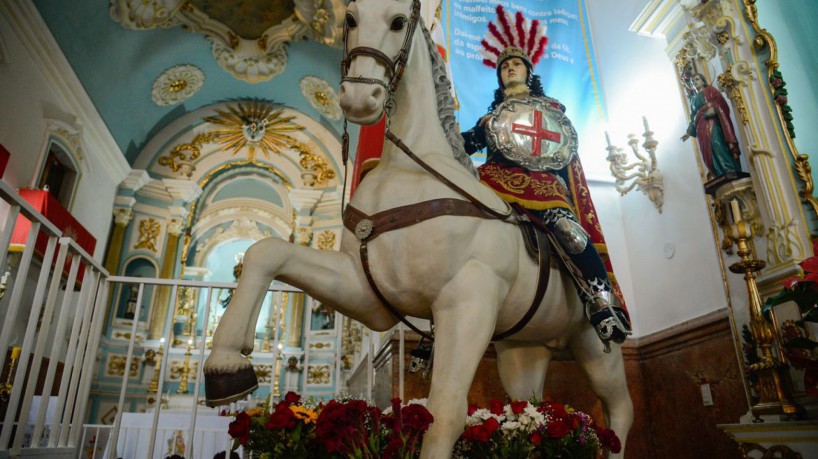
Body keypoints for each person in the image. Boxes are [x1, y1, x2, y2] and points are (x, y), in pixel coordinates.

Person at [461, 6, 630, 349]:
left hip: (540, 181)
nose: (509, 68)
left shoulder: (549, 110)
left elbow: (560, 147)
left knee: (567, 228)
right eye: (504, 66)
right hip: (495, 178)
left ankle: (602, 301)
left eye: (515, 64)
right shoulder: (489, 119)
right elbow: (463, 145)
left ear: (528, 70)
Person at [681, 73, 742, 180]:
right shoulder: (693, 100)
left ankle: (728, 168)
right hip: (701, 126)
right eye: (692, 81)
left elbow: (719, 101)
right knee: (707, 150)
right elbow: (693, 118)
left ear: (703, 81)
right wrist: (688, 132)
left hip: (712, 121)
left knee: (716, 143)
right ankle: (717, 172)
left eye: (697, 79)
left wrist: (713, 107)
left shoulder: (710, 90)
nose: (695, 82)